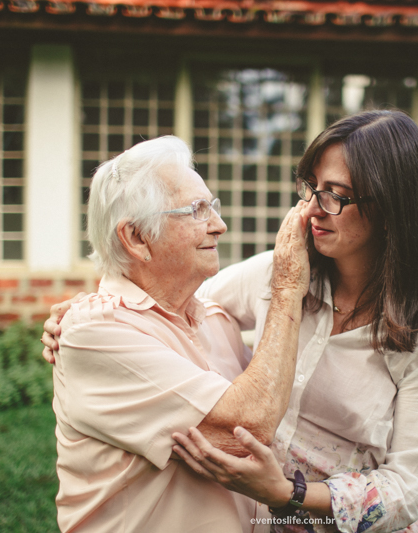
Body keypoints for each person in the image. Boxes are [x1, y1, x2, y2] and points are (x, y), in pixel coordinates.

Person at [44, 110, 418, 533]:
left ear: (392, 208)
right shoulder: (278, 273)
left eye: (336, 195)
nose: (312, 209)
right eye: (312, 188)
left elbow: (411, 487)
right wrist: (93, 310)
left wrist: (288, 495)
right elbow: (162, 299)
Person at [47, 135, 310, 533]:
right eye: (197, 210)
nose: (219, 226)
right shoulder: (94, 334)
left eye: (213, 206)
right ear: (136, 238)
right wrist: (288, 287)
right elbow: (248, 432)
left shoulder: (212, 317)